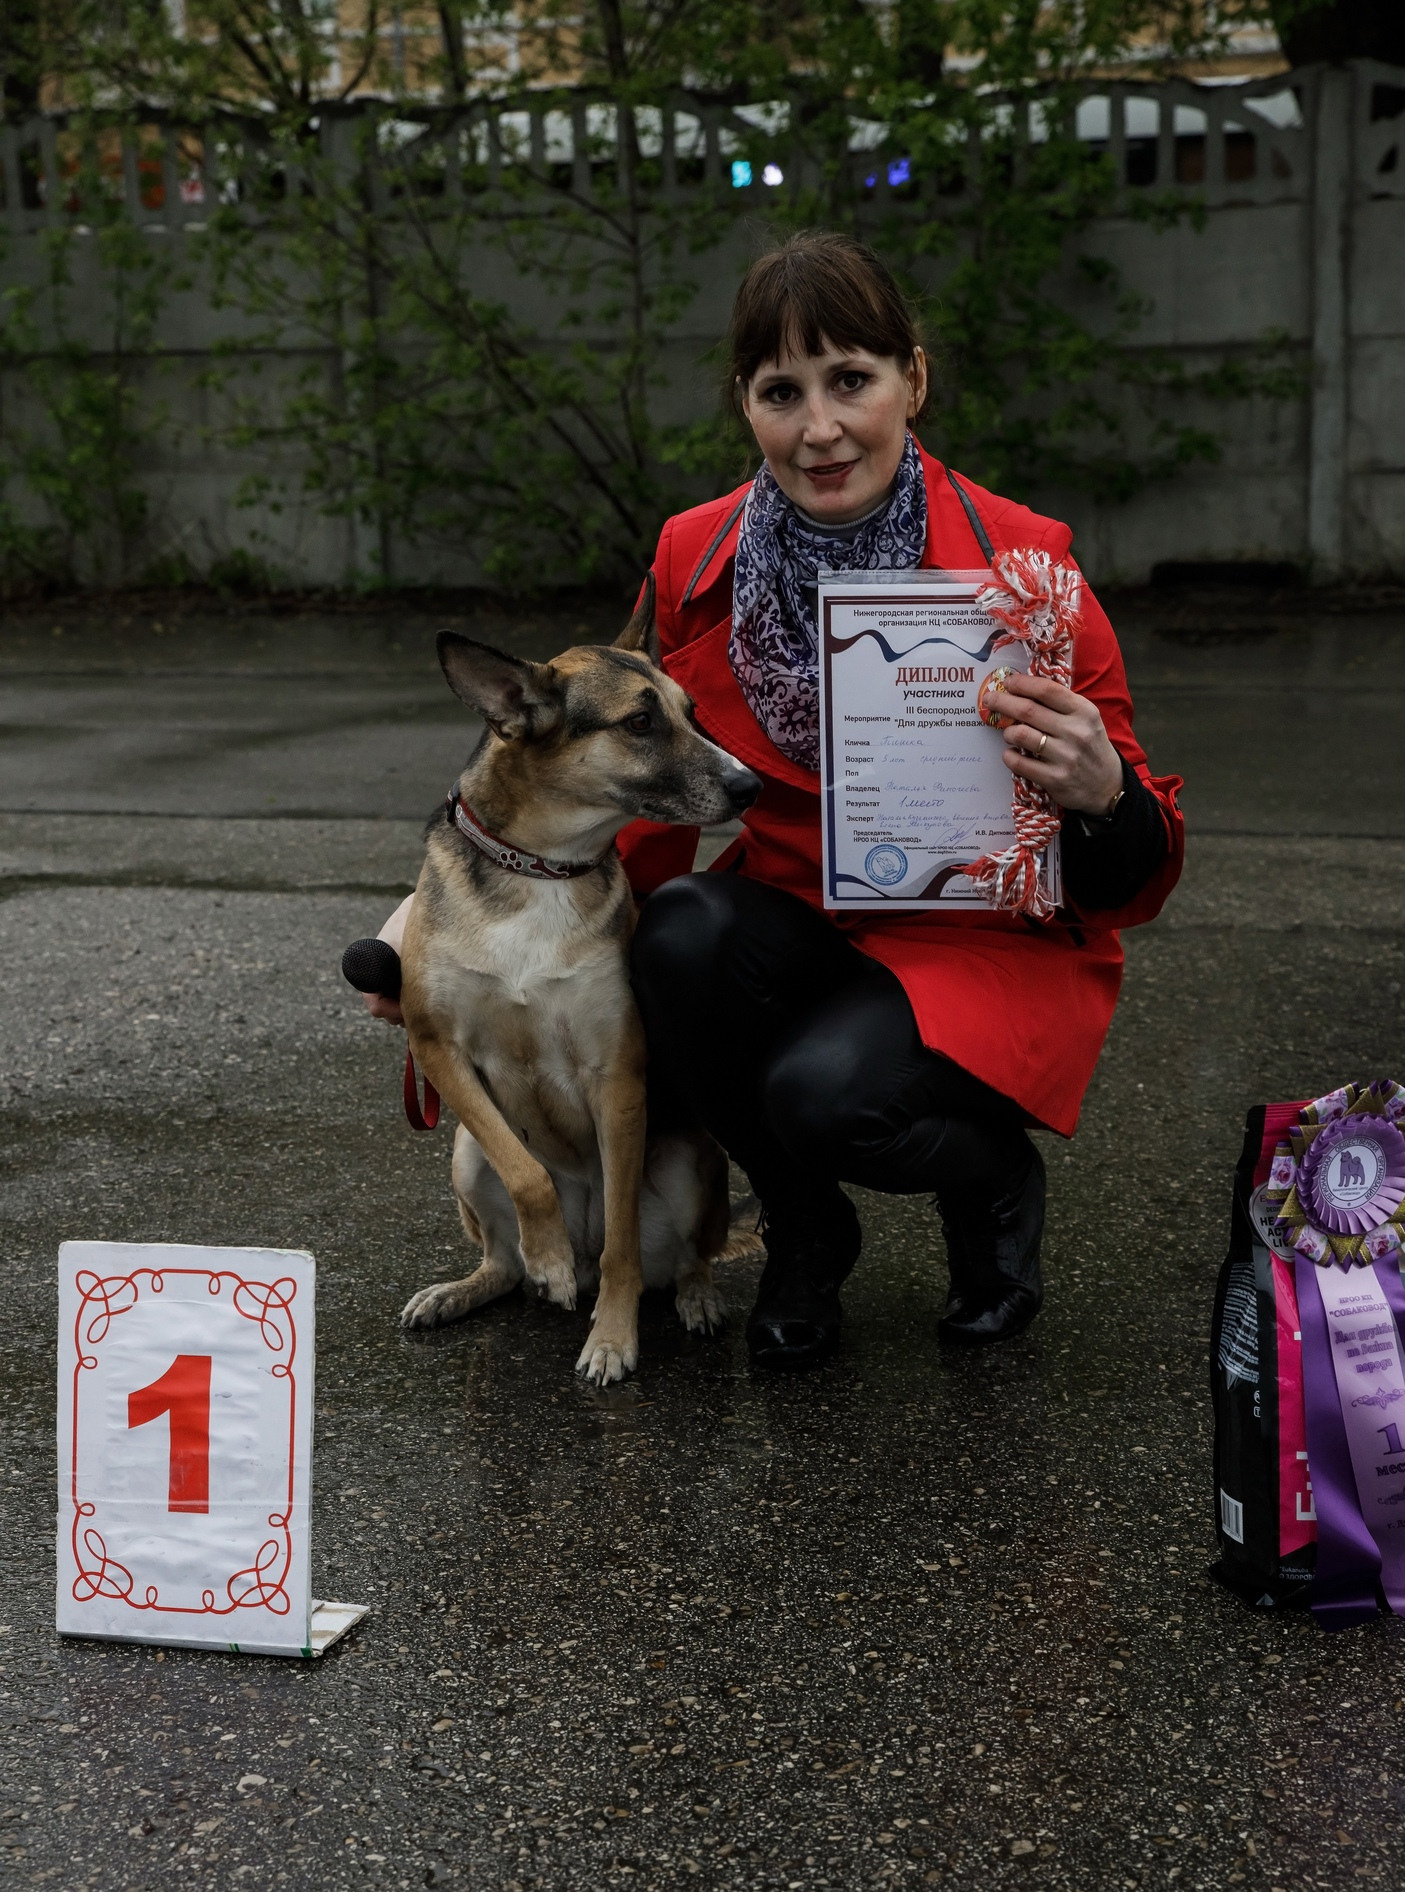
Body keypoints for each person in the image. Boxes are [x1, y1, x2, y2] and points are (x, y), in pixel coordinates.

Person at [349, 231, 1183, 1373]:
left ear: (913, 382)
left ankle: (989, 1184)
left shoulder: (1024, 567)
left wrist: (1103, 793)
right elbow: (630, 780)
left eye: (852, 380)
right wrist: (453, 933)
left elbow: (1135, 867)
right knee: (676, 942)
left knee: (822, 1094)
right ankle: (807, 1232)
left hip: (979, 939)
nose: (820, 426)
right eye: (781, 391)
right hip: (800, 917)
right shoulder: (699, 555)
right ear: (745, 403)